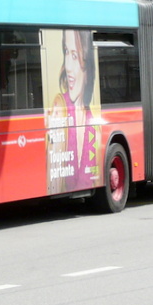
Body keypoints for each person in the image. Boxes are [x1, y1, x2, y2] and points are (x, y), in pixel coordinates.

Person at [47, 29, 100, 192]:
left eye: (75, 56)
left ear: (87, 65)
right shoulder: (58, 108)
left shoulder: (96, 128)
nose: (68, 67)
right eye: (66, 52)